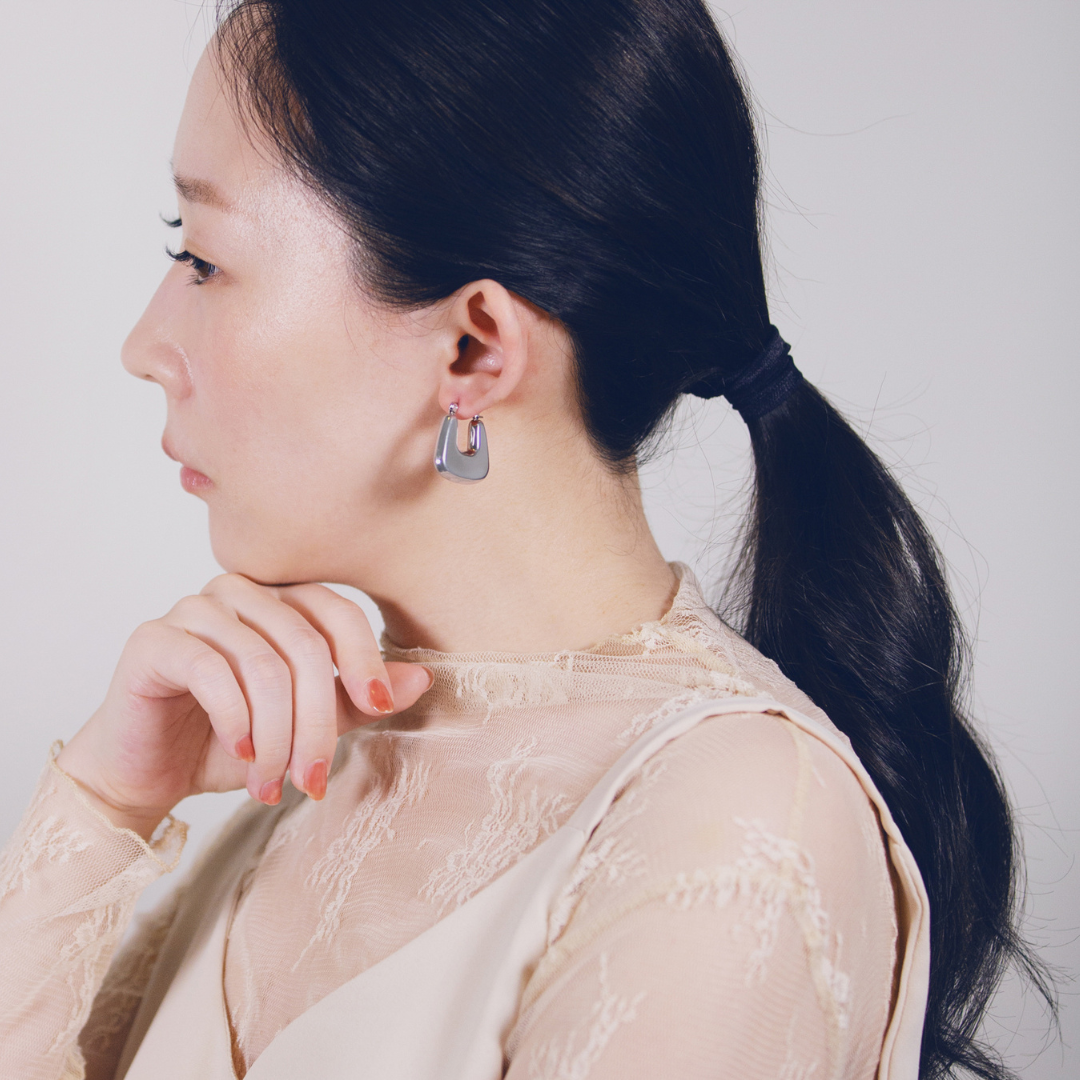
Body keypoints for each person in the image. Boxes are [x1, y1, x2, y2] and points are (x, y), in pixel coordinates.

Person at [0, 1, 1047, 1077]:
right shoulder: (299, 765)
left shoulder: (737, 829)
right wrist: (103, 807)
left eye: (203, 258)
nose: (144, 346)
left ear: (472, 349)